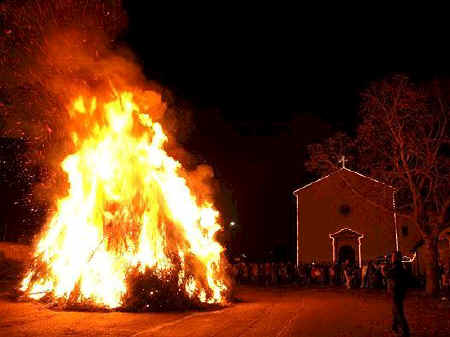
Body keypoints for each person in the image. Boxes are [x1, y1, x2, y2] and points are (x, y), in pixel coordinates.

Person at [383, 251, 410, 337]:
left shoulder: (397, 267)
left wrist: (383, 270)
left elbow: (388, 274)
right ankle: (394, 327)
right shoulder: (400, 266)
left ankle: (405, 331)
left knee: (398, 311)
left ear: (396, 258)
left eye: (393, 257)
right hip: (399, 291)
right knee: (395, 310)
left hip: (397, 291)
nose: (391, 258)